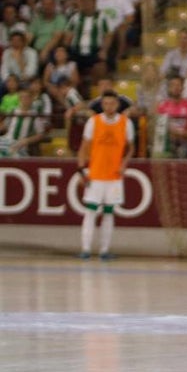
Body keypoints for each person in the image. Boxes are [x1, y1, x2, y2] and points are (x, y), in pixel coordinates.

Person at [77, 89, 134, 260]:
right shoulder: (93, 122)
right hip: (95, 174)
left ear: (117, 104)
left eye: (112, 103)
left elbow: (130, 147)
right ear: (102, 105)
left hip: (114, 176)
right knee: (90, 212)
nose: (109, 107)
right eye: (106, 104)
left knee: (109, 212)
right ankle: (86, 249)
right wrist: (81, 170)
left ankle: (104, 250)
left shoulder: (126, 123)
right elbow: (84, 147)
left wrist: (124, 164)